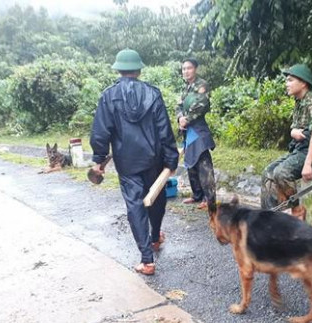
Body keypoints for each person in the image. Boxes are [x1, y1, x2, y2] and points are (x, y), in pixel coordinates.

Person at [89, 49, 179, 276]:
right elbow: (164, 129)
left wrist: (98, 159)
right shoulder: (153, 94)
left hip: (127, 162)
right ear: (139, 69)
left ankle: (147, 260)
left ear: (118, 69)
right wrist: (171, 157)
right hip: (154, 159)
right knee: (157, 198)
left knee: (135, 205)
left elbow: (101, 131)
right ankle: (155, 237)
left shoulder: (108, 96)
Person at [260, 64, 312, 221]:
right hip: (300, 149)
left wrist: (308, 164)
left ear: (303, 83)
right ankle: (271, 217)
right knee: (268, 172)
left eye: (290, 80)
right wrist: (293, 132)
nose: (286, 84)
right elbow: (294, 129)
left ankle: (295, 214)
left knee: (282, 173)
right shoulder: (299, 102)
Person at [175, 57, 216, 210]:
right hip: (187, 131)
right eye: (183, 68)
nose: (186, 71)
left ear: (195, 69)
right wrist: (180, 118)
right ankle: (197, 195)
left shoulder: (202, 85)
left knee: (203, 163)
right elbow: (178, 105)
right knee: (190, 163)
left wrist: (187, 119)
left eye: (189, 68)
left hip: (198, 129)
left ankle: (209, 198)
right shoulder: (185, 88)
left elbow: (201, 105)